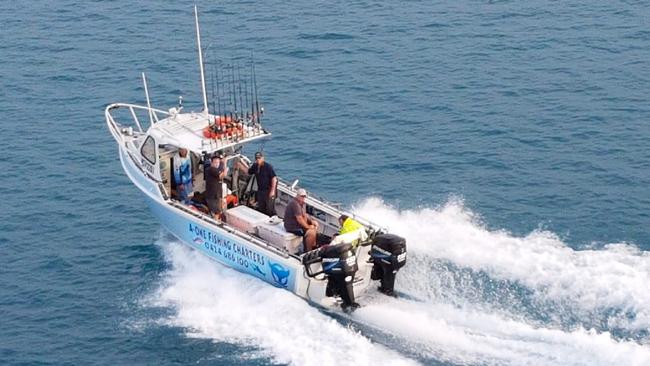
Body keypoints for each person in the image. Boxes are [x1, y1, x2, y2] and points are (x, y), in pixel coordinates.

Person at [247, 151, 277, 216]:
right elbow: (249, 172)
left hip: (268, 191)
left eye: (259, 158)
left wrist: (272, 191)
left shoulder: (268, 167)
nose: (258, 160)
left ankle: (273, 219)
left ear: (263, 158)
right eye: (256, 158)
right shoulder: (255, 166)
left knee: (270, 208)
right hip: (260, 190)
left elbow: (274, 179)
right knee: (261, 207)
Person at [205, 153, 228, 219]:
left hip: (217, 195)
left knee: (220, 209)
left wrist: (223, 162)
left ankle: (219, 219)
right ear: (211, 163)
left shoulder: (218, 168)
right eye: (215, 162)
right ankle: (216, 223)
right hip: (212, 196)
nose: (217, 164)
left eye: (218, 162)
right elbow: (222, 175)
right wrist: (225, 167)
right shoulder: (212, 169)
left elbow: (221, 165)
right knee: (216, 212)